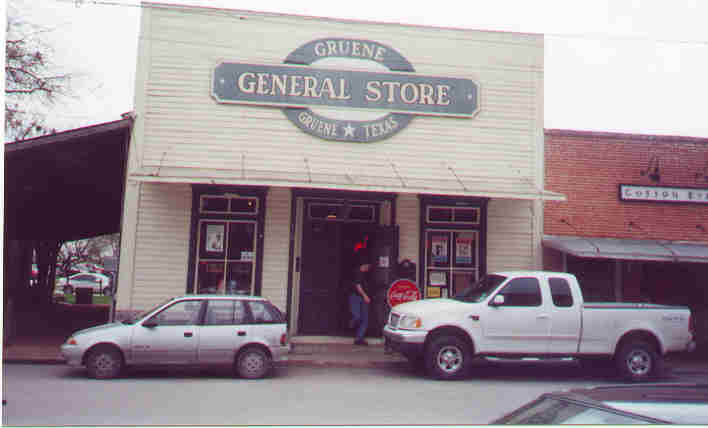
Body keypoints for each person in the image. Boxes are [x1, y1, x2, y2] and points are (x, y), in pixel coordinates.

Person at [349, 256, 372, 346]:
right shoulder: (357, 273)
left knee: (365, 319)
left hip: (364, 298)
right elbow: (358, 286)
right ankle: (350, 324)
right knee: (357, 316)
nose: (368, 268)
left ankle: (359, 338)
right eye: (368, 266)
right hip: (356, 297)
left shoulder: (366, 274)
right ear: (364, 265)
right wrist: (365, 295)